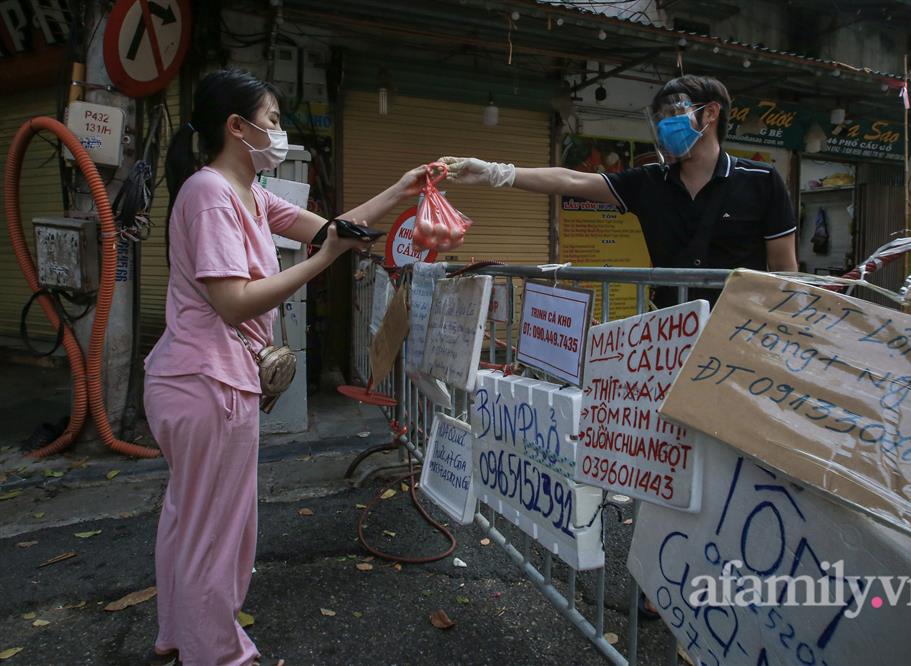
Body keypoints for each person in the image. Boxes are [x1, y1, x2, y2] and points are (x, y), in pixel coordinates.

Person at [144, 69, 423, 666]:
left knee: (191, 521)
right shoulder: (212, 193)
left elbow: (336, 228)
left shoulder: (247, 193)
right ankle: (216, 654)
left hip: (198, 379)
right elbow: (234, 299)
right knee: (216, 533)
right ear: (236, 127)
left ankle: (179, 636)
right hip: (207, 382)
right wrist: (324, 260)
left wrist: (403, 190)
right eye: (272, 121)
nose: (281, 133)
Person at [440, 74, 798, 306]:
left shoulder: (762, 180)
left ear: (711, 114)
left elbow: (785, 269)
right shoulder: (648, 182)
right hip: (670, 334)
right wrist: (493, 172)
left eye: (674, 111)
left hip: (739, 333)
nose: (665, 124)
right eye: (659, 117)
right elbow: (571, 180)